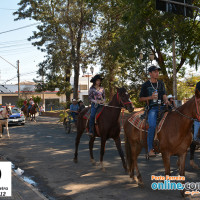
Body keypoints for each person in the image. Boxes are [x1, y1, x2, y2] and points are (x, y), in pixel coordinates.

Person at [139, 66, 169, 157]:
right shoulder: (145, 85)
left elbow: (164, 94)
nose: (157, 73)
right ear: (150, 73)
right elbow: (140, 99)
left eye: (157, 72)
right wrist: (150, 98)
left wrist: (167, 100)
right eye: (155, 72)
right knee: (152, 125)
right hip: (153, 108)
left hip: (163, 106)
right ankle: (150, 149)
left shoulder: (161, 83)